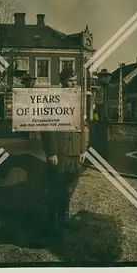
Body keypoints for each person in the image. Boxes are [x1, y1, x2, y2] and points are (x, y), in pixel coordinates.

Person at [41, 67, 88, 235]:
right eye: (70, 81)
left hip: (75, 151)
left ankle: (63, 219)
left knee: (69, 186)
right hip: (60, 152)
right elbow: (47, 127)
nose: (73, 84)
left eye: (75, 81)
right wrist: (51, 152)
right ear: (62, 82)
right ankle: (52, 222)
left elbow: (83, 126)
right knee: (56, 187)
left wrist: (83, 149)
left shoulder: (77, 100)